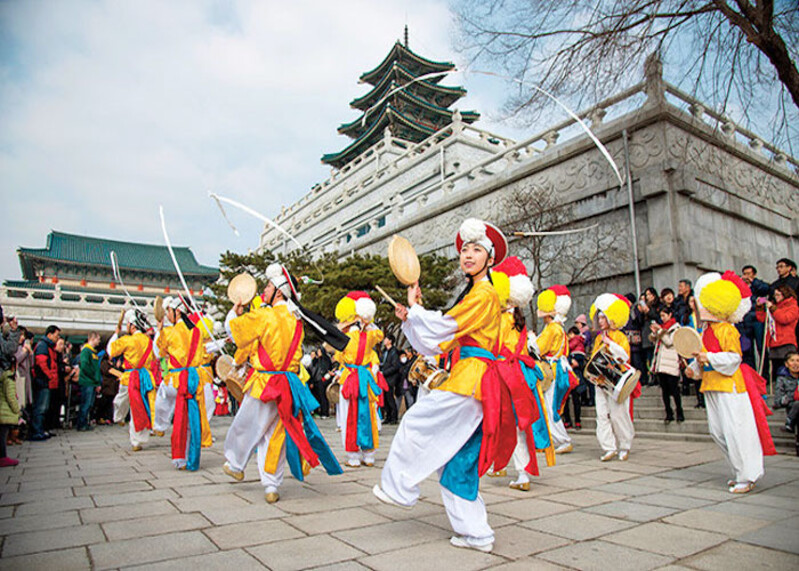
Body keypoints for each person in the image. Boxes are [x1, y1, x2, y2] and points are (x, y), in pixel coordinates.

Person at [375, 218, 509, 553]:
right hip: (471, 379)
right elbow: (436, 344)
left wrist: (418, 311)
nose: (468, 255)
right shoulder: (474, 294)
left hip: (472, 380)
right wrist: (413, 315)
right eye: (465, 249)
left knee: (416, 422)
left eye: (476, 249)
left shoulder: (485, 294)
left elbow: (445, 328)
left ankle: (399, 487)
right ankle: (476, 532)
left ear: (490, 259)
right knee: (456, 459)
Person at [222, 263, 342, 503]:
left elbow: (234, 333)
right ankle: (271, 485)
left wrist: (235, 313)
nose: (263, 290)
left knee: (247, 424)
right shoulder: (296, 319)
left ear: (278, 290)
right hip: (287, 384)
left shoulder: (265, 315)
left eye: (267, 285)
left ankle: (236, 463)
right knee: (275, 434)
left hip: (265, 382)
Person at [685, 271, 775, 493]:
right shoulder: (705, 331)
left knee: (736, 431)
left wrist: (709, 359)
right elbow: (702, 356)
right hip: (711, 385)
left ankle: (747, 475)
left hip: (731, 387)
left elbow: (734, 358)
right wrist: (693, 368)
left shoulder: (727, 329)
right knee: (718, 432)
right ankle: (739, 471)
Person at [489, 256, 544, 491]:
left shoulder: (501, 318)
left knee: (506, 422)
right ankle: (511, 468)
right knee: (516, 424)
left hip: (504, 373)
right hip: (519, 373)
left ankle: (515, 469)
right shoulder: (517, 319)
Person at [156, 297, 214, 470]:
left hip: (177, 379)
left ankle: (180, 457)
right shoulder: (196, 331)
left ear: (177, 311)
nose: (167, 315)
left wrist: (160, 332)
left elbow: (160, 353)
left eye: (169, 311)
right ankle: (193, 458)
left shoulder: (169, 332)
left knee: (177, 416)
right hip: (195, 377)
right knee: (193, 418)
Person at [333, 291, 385, 467]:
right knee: (368, 414)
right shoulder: (372, 336)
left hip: (350, 377)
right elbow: (380, 335)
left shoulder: (346, 337)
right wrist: (367, 322)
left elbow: (337, 355)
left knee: (350, 416)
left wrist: (350, 322)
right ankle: (369, 455)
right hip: (366, 378)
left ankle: (353, 456)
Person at [590, 293, 639, 461]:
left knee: (618, 414)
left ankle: (625, 445)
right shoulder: (597, 338)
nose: (601, 321)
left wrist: (610, 344)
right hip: (600, 381)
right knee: (601, 414)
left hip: (616, 381)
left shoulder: (619, 336)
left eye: (604, 317)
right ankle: (608, 447)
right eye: (599, 317)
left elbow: (624, 356)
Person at [533, 285, 577, 454]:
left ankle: (563, 440)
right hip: (558, 369)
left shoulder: (552, 328)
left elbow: (539, 347)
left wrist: (530, 339)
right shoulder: (558, 328)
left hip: (553, 370)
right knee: (550, 406)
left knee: (551, 407)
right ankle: (552, 439)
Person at [108, 309, 157, 451]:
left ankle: (119, 417)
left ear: (133, 326)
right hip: (145, 378)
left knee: (120, 400)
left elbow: (110, 350)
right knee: (140, 408)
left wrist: (115, 334)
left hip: (129, 377)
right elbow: (155, 357)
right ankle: (137, 441)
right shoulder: (149, 341)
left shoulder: (127, 340)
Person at [649, 306, 684, 423]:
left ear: (670, 315)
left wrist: (659, 331)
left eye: (664, 315)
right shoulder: (662, 327)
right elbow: (655, 340)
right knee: (664, 391)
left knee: (674, 390)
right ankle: (668, 413)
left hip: (671, 362)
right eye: (661, 316)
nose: (662, 318)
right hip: (661, 363)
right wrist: (655, 333)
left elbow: (669, 342)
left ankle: (679, 412)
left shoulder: (676, 327)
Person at [758, 286, 799, 383]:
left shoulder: (793, 306)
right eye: (775, 295)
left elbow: (785, 318)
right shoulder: (775, 306)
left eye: (778, 295)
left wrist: (773, 308)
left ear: (785, 294)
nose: (776, 297)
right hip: (774, 341)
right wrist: (759, 306)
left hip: (786, 341)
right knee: (777, 370)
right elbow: (762, 319)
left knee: (789, 369)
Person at [31, 325, 60, 441]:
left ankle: (41, 429)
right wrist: (50, 376)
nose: (58, 338)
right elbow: (42, 363)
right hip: (43, 381)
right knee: (41, 407)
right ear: (50, 334)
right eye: (56, 335)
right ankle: (37, 431)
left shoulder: (48, 346)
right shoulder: (43, 346)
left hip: (46, 381)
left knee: (45, 407)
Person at [0, 331, 20, 467]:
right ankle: (2, 456)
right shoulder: (8, 378)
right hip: (5, 412)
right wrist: (17, 410)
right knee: (2, 434)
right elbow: (11, 397)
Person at [76, 332, 102, 431]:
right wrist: (94, 378)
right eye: (98, 339)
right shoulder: (86, 351)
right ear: (92, 339)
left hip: (92, 382)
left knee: (89, 404)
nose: (99, 341)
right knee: (85, 404)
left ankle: (85, 423)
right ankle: (81, 424)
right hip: (87, 382)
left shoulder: (93, 352)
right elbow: (85, 366)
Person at [562, 326, 587, 429]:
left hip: (570, 375)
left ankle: (569, 421)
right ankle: (577, 421)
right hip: (576, 375)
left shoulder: (568, 347)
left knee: (568, 399)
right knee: (575, 400)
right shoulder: (581, 346)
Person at [774, 352, 799, 432]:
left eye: (798, 361)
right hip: (792, 406)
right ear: (786, 364)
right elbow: (778, 401)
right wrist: (791, 397)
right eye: (792, 361)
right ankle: (789, 423)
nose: (795, 364)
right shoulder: (782, 379)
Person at [380, 335, 401, 424]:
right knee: (384, 398)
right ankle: (388, 416)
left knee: (390, 397)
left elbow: (395, 366)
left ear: (390, 341)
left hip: (391, 378)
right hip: (384, 377)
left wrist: (384, 372)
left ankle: (394, 417)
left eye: (386, 339)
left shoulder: (394, 352)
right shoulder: (385, 351)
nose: (384, 340)